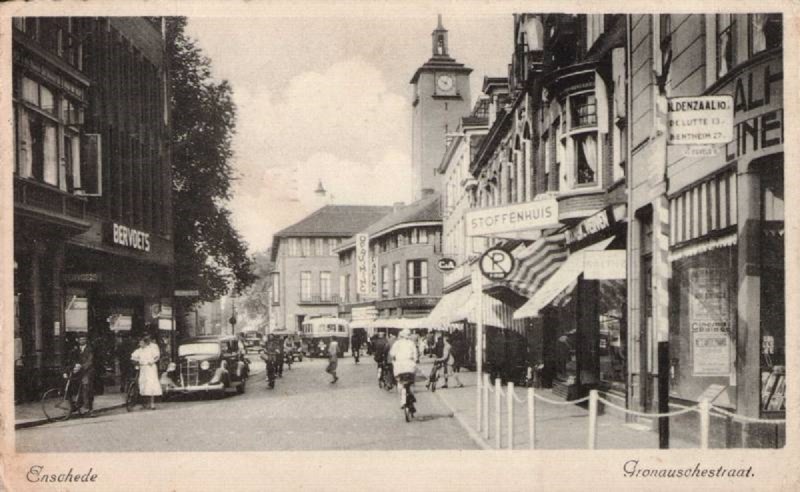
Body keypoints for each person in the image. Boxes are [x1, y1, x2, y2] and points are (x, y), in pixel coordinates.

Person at [389, 329, 419, 416]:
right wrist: (415, 360)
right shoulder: (411, 343)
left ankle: (402, 401)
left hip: (399, 367)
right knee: (411, 383)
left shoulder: (397, 343)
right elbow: (415, 355)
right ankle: (412, 399)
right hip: (410, 366)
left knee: (400, 383)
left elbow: (392, 354)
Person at [130, 335, 162, 409]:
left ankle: (152, 403)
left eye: (141, 343)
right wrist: (136, 363)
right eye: (139, 343)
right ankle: (145, 403)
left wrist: (152, 361)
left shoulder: (151, 349)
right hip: (143, 368)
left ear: (145, 343)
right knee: (143, 384)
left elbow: (157, 356)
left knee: (151, 384)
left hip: (150, 368)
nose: (140, 344)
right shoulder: (139, 350)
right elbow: (133, 357)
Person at [73, 334, 95, 416]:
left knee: (86, 388)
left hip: (88, 371)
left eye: (84, 339)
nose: (82, 341)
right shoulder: (76, 349)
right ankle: (78, 404)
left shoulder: (89, 349)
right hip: (78, 371)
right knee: (76, 387)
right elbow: (74, 358)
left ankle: (89, 408)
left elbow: (90, 361)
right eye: (81, 339)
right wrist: (75, 366)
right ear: (78, 340)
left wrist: (82, 367)